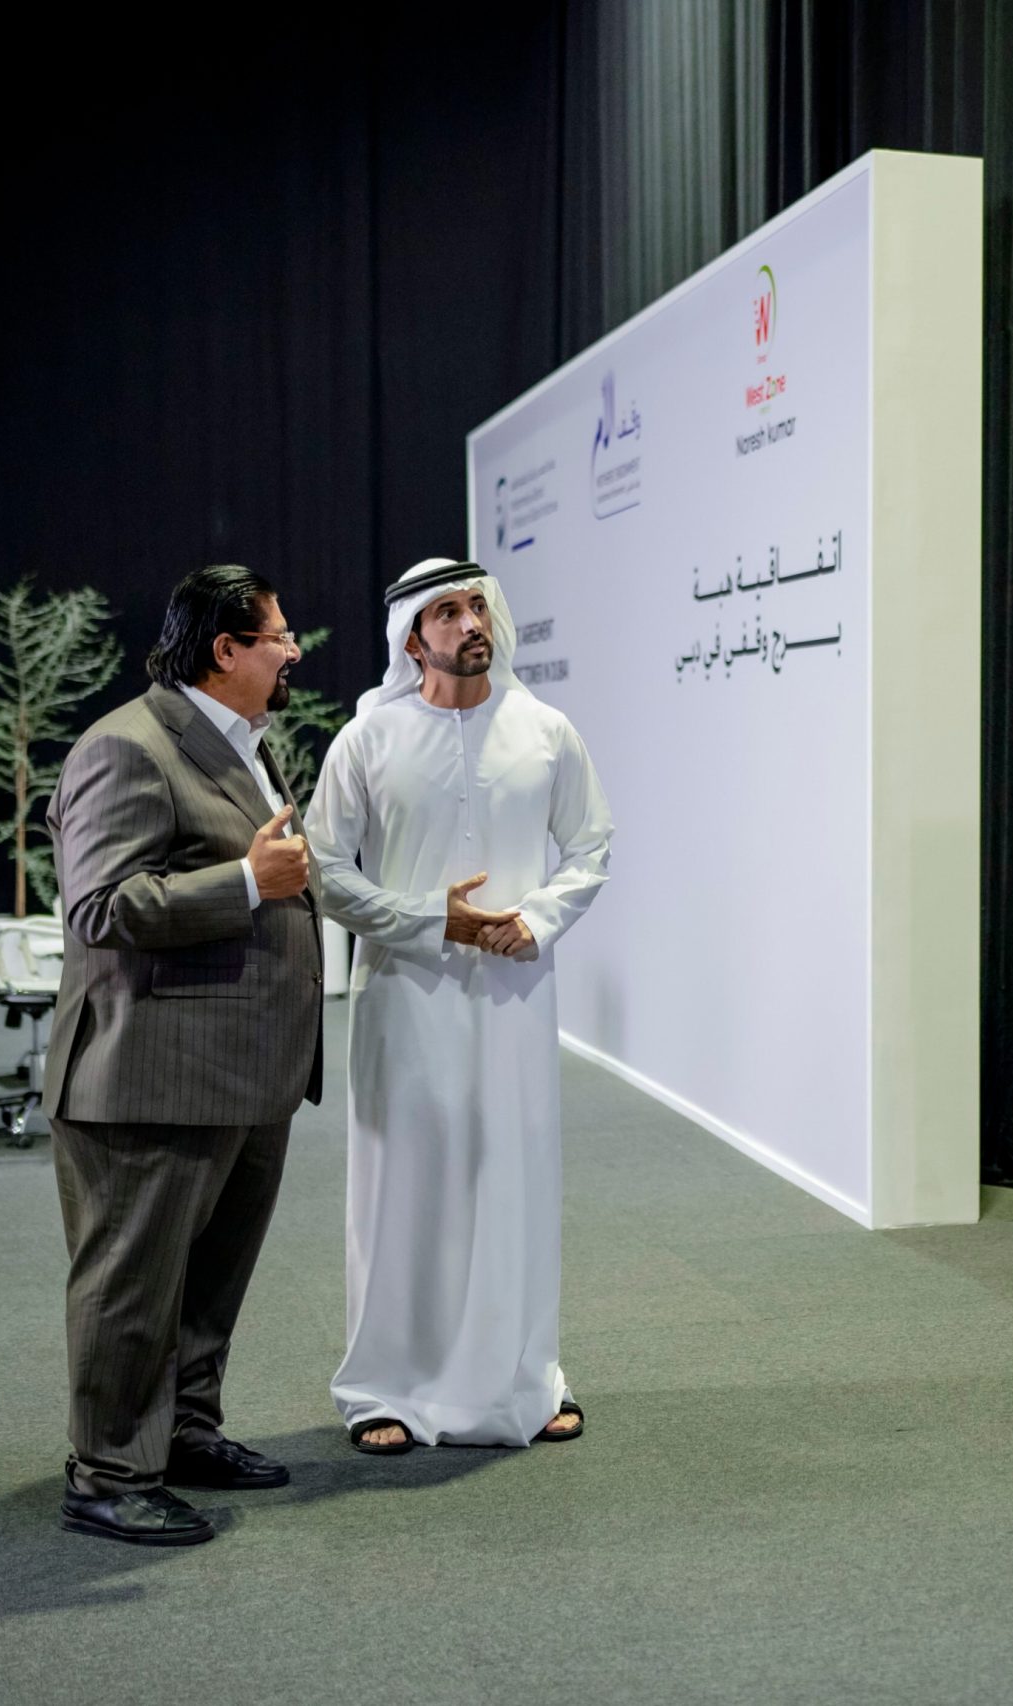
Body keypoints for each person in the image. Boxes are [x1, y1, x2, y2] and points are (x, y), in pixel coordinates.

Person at [41, 564, 322, 1546]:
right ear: (225, 649)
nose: (294, 651)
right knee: (131, 1285)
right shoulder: (125, 746)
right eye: (279, 636)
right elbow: (99, 908)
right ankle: (109, 1473)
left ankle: (185, 1434)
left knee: (208, 1281)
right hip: (148, 1077)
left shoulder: (243, 741)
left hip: (244, 1072)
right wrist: (245, 881)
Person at [311, 558, 612, 1452]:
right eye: (447, 611)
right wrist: (425, 919)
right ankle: (383, 1389)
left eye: (478, 605)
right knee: (402, 1187)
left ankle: (524, 1381)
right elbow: (324, 869)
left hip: (514, 995)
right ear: (413, 639)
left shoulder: (545, 731)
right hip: (404, 993)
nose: (472, 622)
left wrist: (537, 918)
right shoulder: (366, 740)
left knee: (513, 1179)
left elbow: (591, 844)